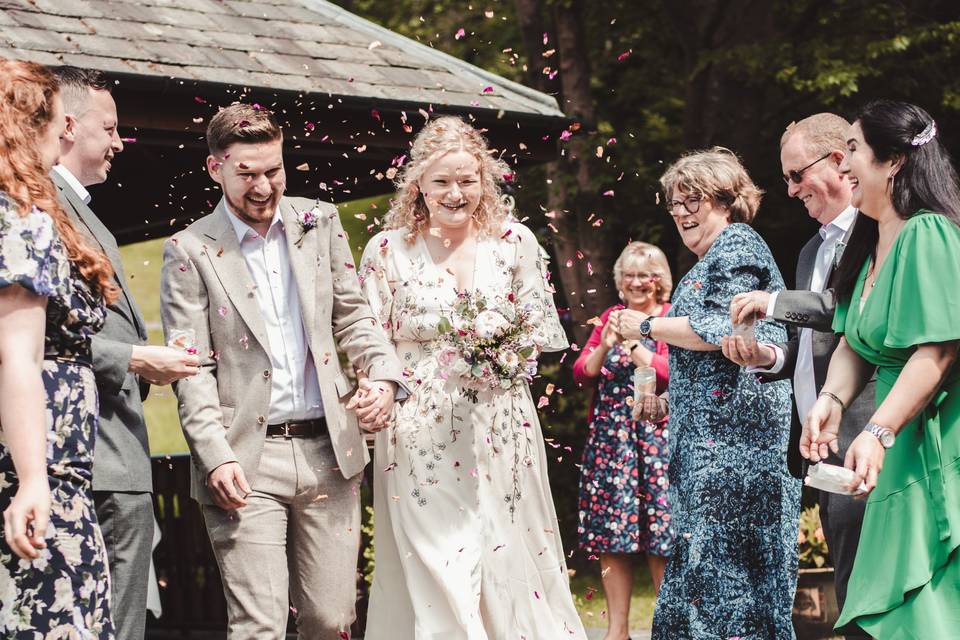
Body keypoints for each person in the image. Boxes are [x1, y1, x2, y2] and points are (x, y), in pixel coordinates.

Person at [160, 103, 405, 638]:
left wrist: (382, 377)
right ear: (215, 169)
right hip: (245, 460)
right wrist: (214, 456)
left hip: (330, 453)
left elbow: (354, 315)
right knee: (259, 624)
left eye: (273, 170)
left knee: (330, 618)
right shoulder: (188, 251)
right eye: (246, 173)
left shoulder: (320, 221)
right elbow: (190, 369)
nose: (263, 186)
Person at [359, 116, 587, 640]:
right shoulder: (387, 250)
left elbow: (538, 327)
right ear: (417, 182)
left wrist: (500, 350)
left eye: (467, 180)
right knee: (439, 549)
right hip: (421, 424)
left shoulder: (514, 242)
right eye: (441, 181)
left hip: (501, 416)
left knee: (502, 539)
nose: (455, 193)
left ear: (485, 180)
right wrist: (381, 389)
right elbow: (369, 340)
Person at [611, 147, 801, 639]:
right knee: (705, 590)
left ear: (726, 199)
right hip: (710, 458)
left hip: (738, 460)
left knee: (732, 595)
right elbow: (717, 364)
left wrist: (648, 324)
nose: (681, 213)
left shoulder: (737, 245)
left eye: (692, 200)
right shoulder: (709, 261)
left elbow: (721, 329)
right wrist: (669, 404)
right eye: (674, 205)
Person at [50, 65, 200, 639]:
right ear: (68, 125)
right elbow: (34, 333)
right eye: (109, 128)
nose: (119, 142)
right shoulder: (45, 210)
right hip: (96, 456)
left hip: (112, 451)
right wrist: (137, 359)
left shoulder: (79, 208)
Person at [802, 100, 960, 639]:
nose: (842, 166)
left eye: (852, 150)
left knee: (926, 609)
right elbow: (854, 341)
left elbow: (934, 353)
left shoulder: (928, 233)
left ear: (892, 161)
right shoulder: (869, 244)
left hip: (927, 444)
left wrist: (876, 429)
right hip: (893, 447)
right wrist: (832, 400)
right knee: (885, 612)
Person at [721, 113, 872, 632]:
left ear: (837, 161)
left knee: (870, 578)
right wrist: (768, 358)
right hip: (818, 438)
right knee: (847, 575)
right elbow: (809, 344)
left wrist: (774, 300)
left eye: (794, 175)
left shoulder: (877, 232)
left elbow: (846, 307)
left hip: (864, 427)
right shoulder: (811, 248)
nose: (789, 191)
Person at [0, 58, 117, 637]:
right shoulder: (19, 220)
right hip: (38, 460)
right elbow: (16, 355)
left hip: (53, 459)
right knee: (57, 616)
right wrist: (32, 479)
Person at [573, 241, 674, 640]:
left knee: (661, 536)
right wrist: (606, 343)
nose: (636, 282)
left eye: (644, 275)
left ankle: (667, 628)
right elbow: (583, 372)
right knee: (613, 536)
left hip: (657, 440)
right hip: (612, 442)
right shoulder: (610, 317)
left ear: (659, 280)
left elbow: (669, 374)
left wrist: (634, 345)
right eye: (629, 275)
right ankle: (617, 632)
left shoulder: (669, 317)